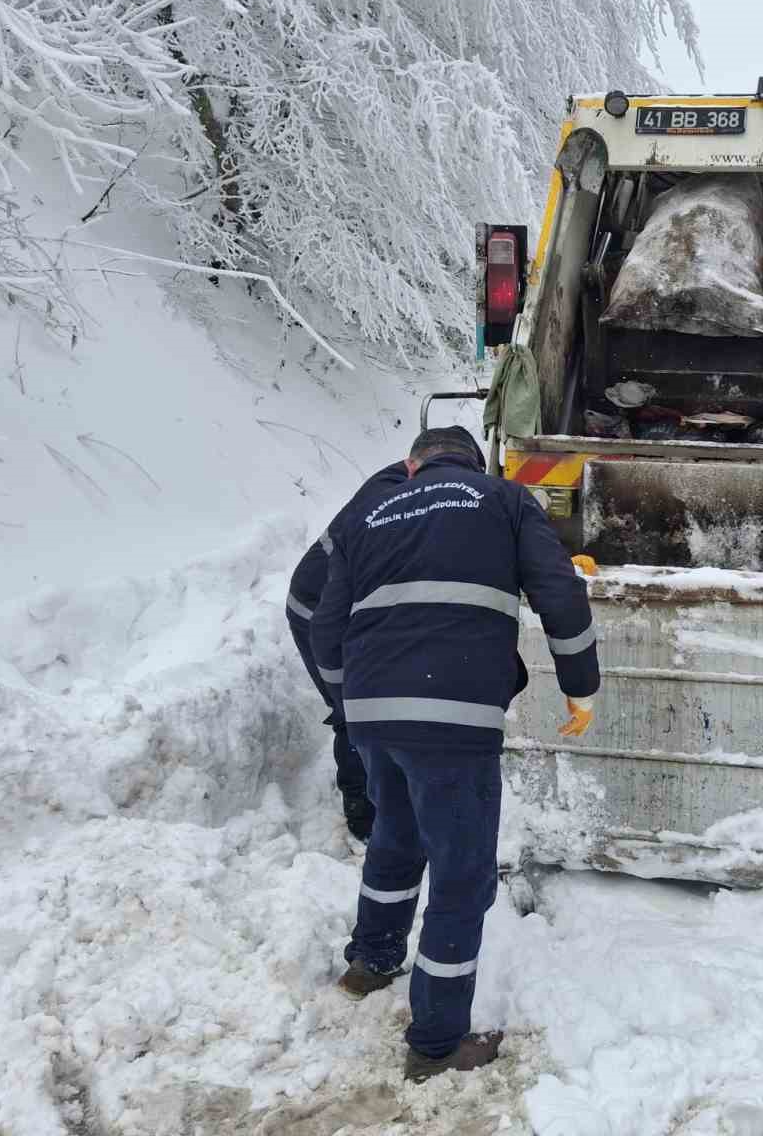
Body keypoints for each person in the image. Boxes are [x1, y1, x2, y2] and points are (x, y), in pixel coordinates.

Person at [312, 425, 600, 1081]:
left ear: (413, 467)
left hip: (373, 715)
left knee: (395, 835)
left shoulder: (370, 515)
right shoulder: (504, 500)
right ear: (472, 463)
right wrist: (581, 684)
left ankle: (372, 961)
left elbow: (326, 630)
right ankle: (437, 1043)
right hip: (453, 718)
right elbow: (559, 593)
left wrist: (351, 698)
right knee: (462, 875)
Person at [286, 460, 408, 841]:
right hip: (319, 609)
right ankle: (364, 818)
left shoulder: (399, 482)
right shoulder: (391, 500)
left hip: (329, 603)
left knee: (362, 705)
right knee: (353, 710)